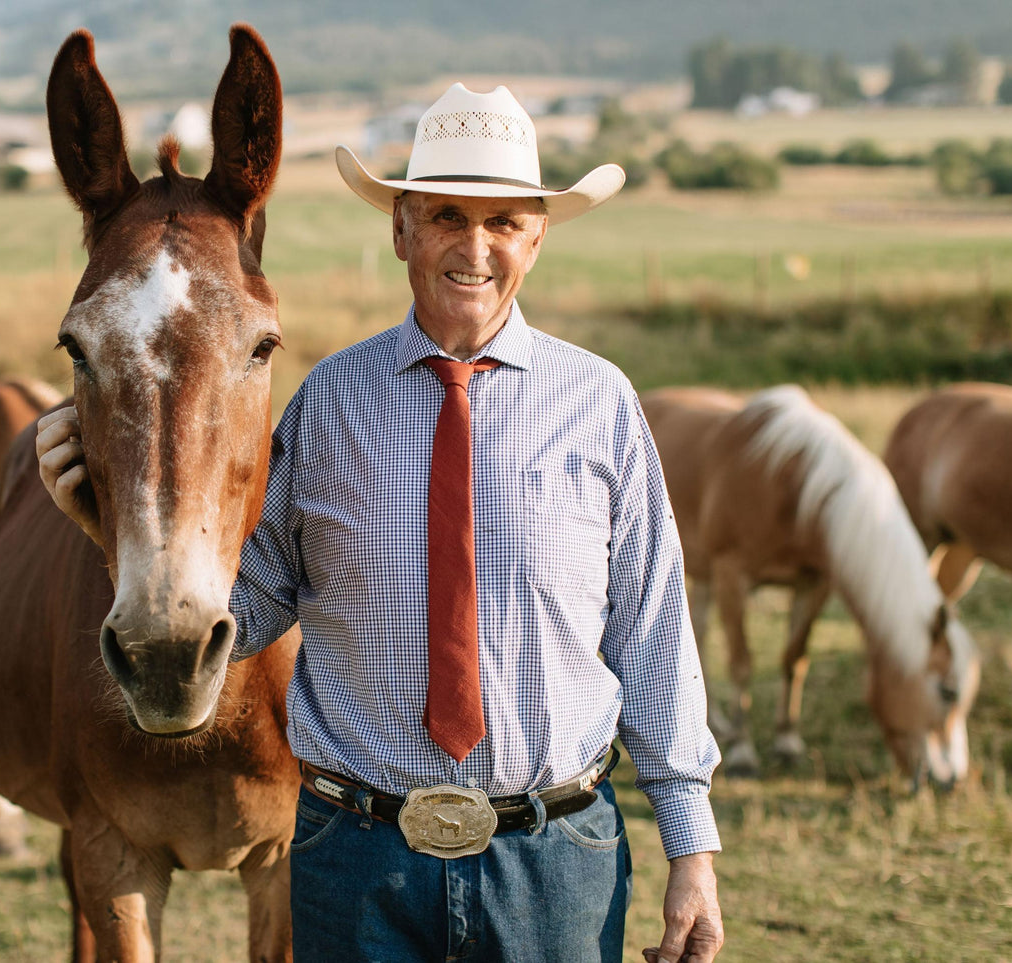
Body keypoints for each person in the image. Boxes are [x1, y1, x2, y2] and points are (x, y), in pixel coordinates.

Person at [39, 82, 723, 963]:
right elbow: (249, 608)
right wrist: (108, 537)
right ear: (400, 230)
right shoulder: (327, 405)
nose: (474, 249)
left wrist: (691, 848)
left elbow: (653, 629)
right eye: (444, 216)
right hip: (357, 859)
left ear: (537, 237)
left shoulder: (600, 404)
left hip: (553, 858)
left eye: (504, 222)